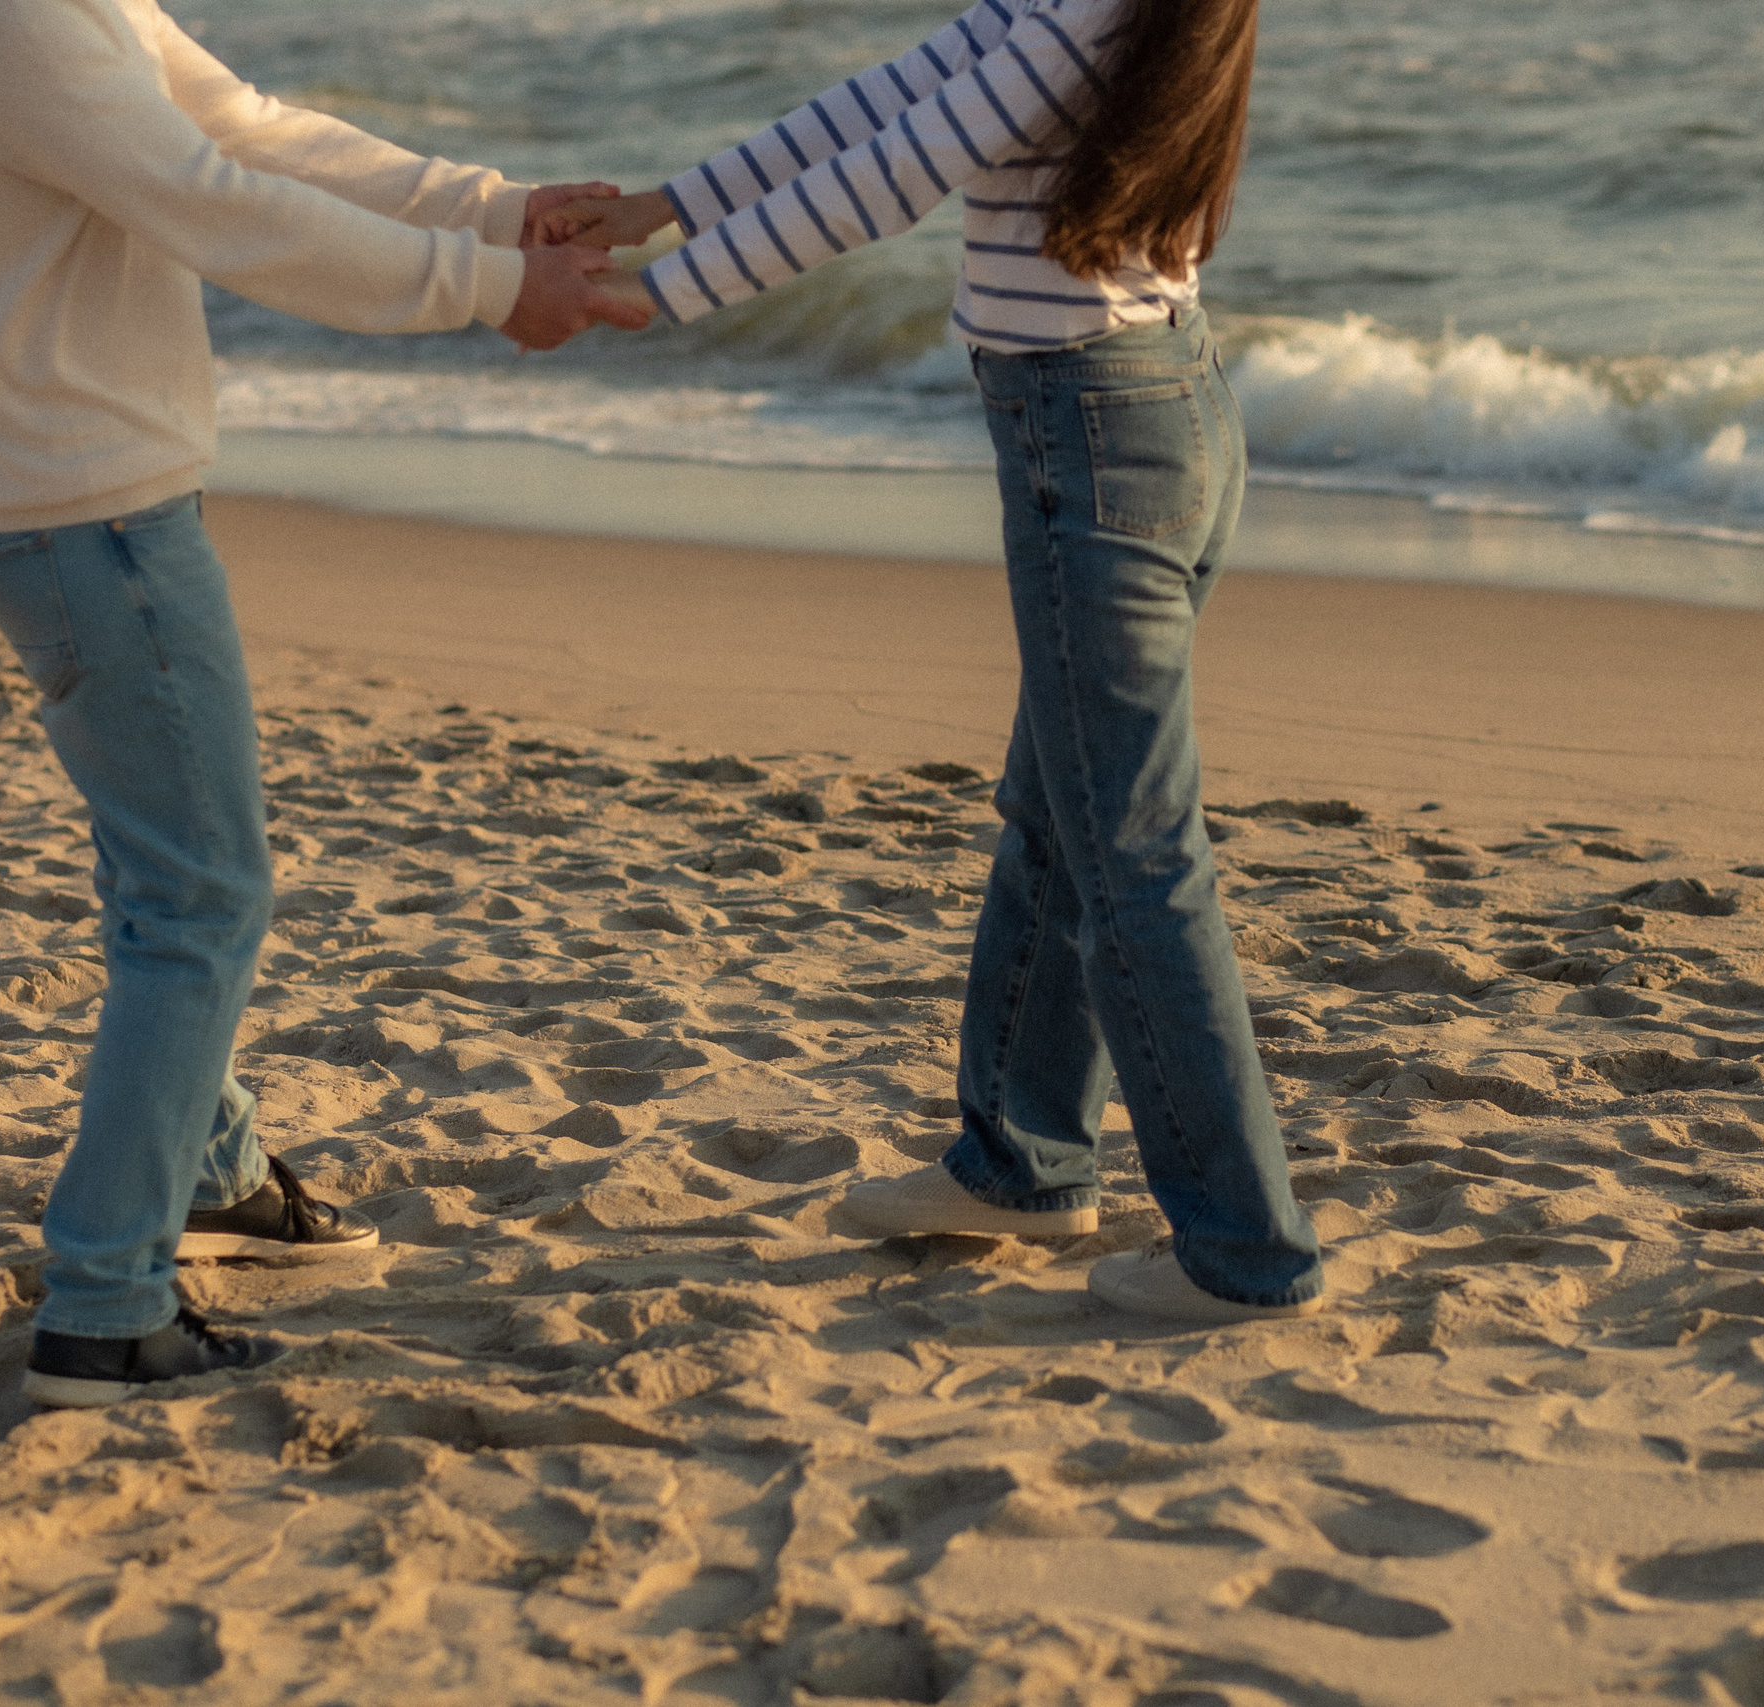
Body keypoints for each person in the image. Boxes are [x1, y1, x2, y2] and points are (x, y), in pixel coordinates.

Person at [0, 0, 651, 1407]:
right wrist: (485, 286)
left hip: (71, 503)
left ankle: (216, 1172)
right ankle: (106, 1309)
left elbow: (248, 127)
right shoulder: (7, 17)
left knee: (163, 879)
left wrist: (495, 211)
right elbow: (217, 205)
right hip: (86, 519)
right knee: (204, 900)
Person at [552, 0, 1323, 1322]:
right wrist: (665, 206)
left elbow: (898, 172)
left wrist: (657, 292)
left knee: (1133, 856)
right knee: (1063, 815)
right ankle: (1021, 1165)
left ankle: (1244, 1258)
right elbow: (888, 100)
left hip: (1094, 437)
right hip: (1142, 417)